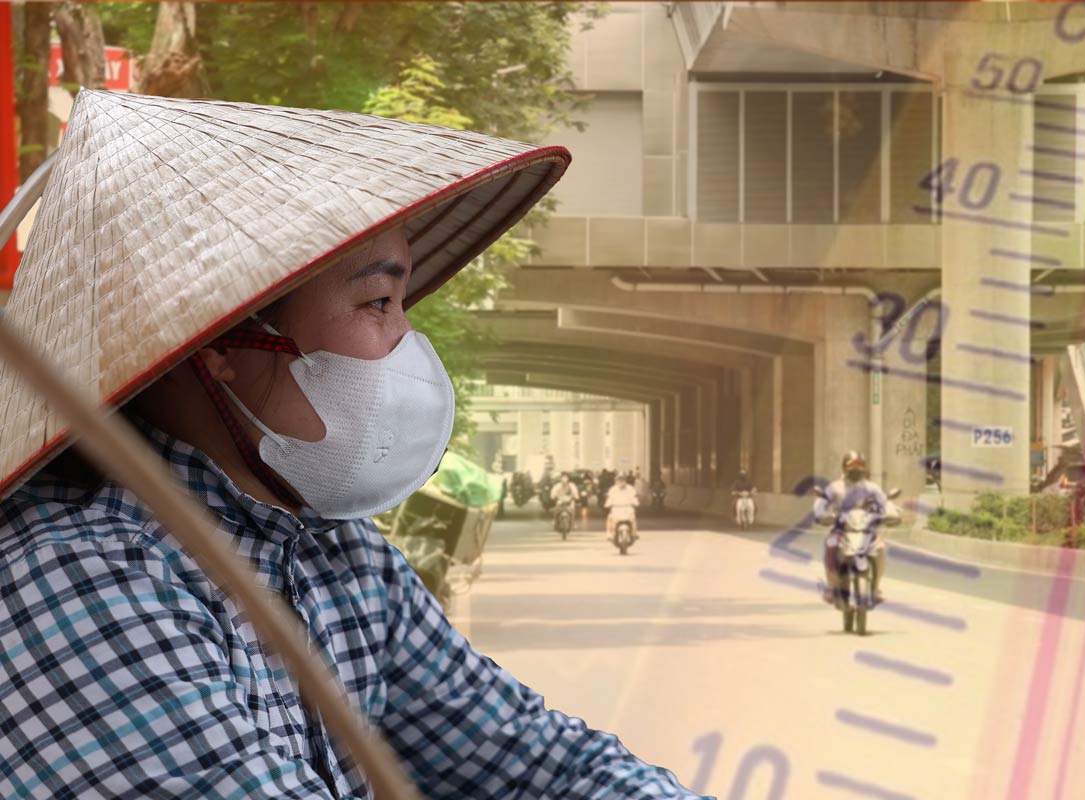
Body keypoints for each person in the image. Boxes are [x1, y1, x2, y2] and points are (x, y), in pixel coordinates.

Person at [0, 90, 707, 798]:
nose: (408, 342)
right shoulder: (79, 575)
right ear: (220, 343)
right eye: (376, 302)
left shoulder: (341, 558)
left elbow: (541, 763)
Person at [814, 450, 893, 606]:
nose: (855, 469)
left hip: (866, 532)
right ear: (844, 467)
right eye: (852, 465)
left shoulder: (872, 488)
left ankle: (875, 588)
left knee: (881, 548)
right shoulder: (835, 487)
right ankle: (832, 587)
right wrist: (821, 514)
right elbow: (821, 503)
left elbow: (885, 503)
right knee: (831, 545)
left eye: (859, 465)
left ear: (864, 468)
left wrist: (891, 513)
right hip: (841, 531)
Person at [605, 472, 640, 541]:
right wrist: (607, 504)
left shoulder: (630, 489)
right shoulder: (613, 489)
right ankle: (609, 534)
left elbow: (634, 498)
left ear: (625, 480)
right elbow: (609, 499)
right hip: (616, 509)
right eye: (619, 479)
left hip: (628, 509)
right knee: (609, 518)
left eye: (622, 479)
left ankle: (634, 533)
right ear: (616, 481)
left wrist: (636, 503)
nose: (621, 481)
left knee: (633, 519)